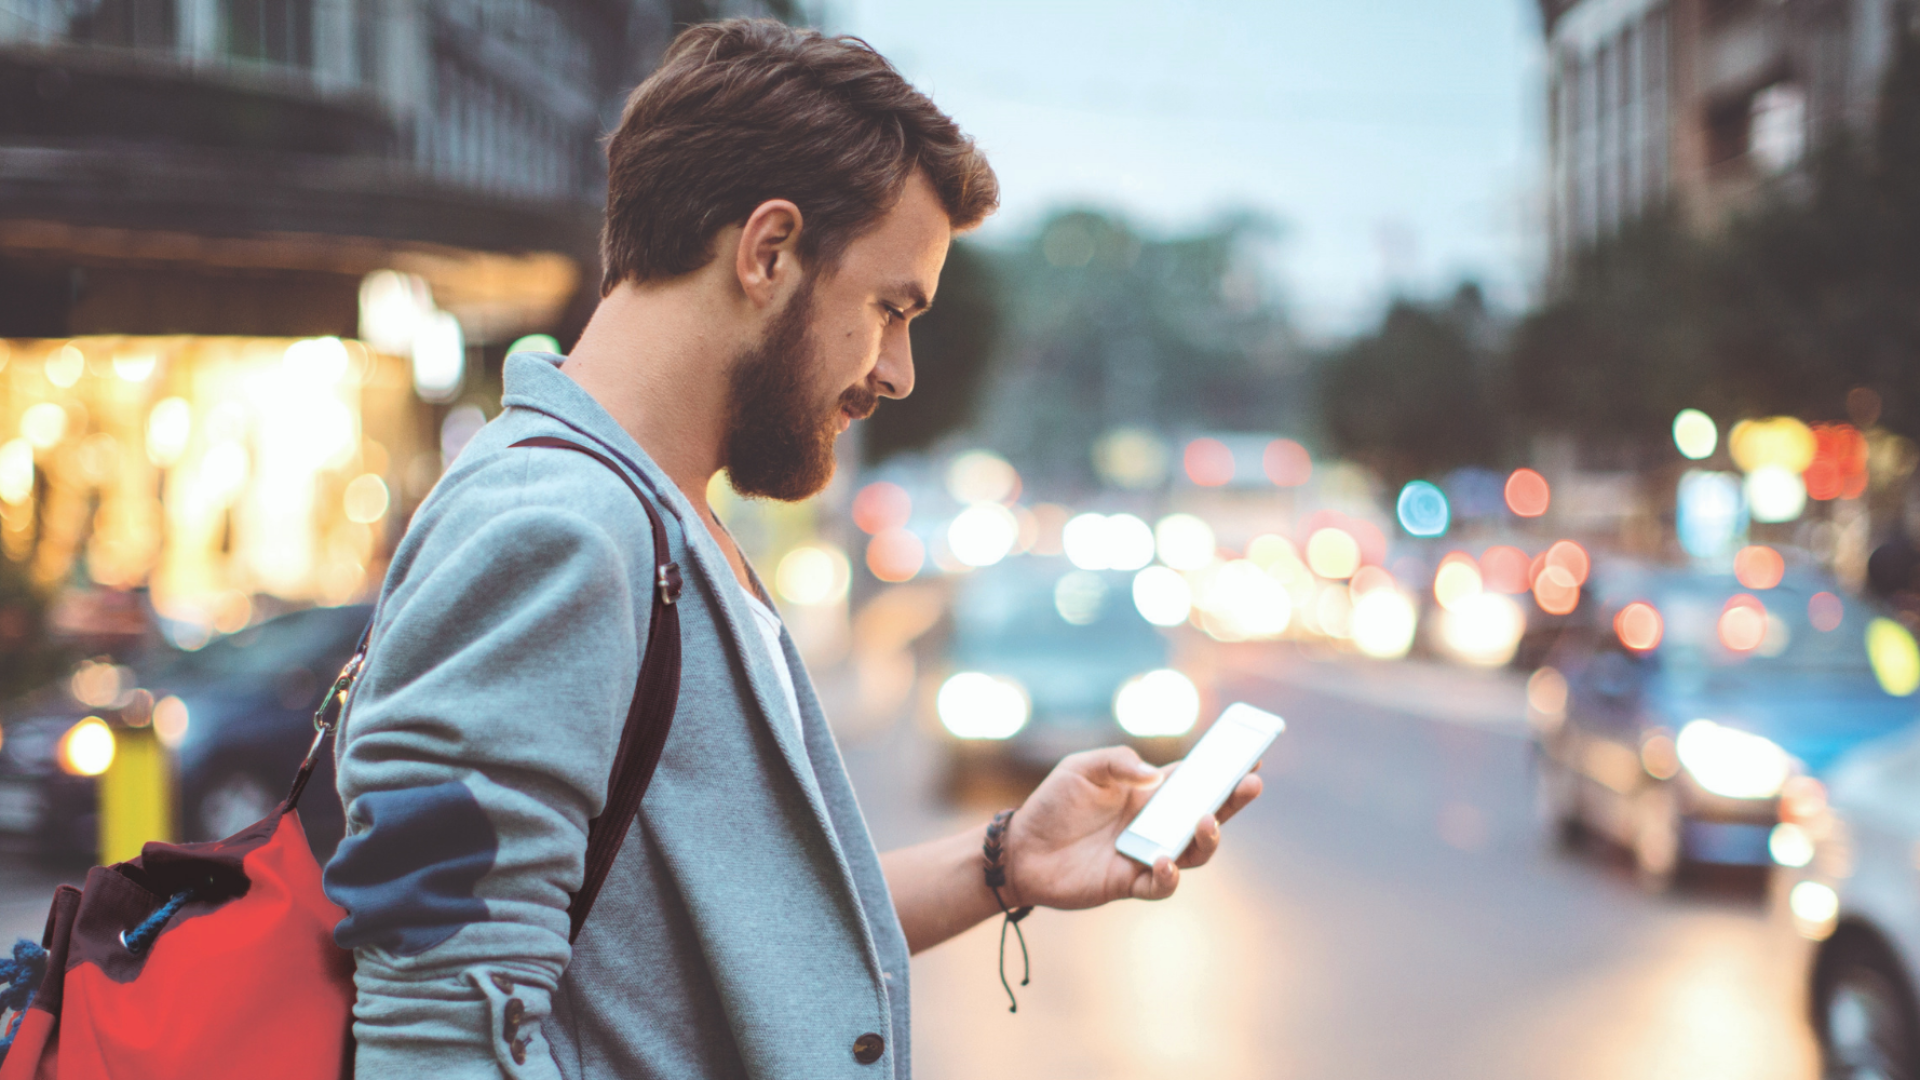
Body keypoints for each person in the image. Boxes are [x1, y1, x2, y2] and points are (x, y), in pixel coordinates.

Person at [321, 18, 1262, 1080]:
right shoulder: (553, 531)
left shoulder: (656, 518)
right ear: (768, 252)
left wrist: (1005, 860)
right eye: (889, 308)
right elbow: (435, 1041)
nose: (898, 370)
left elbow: (731, 954)